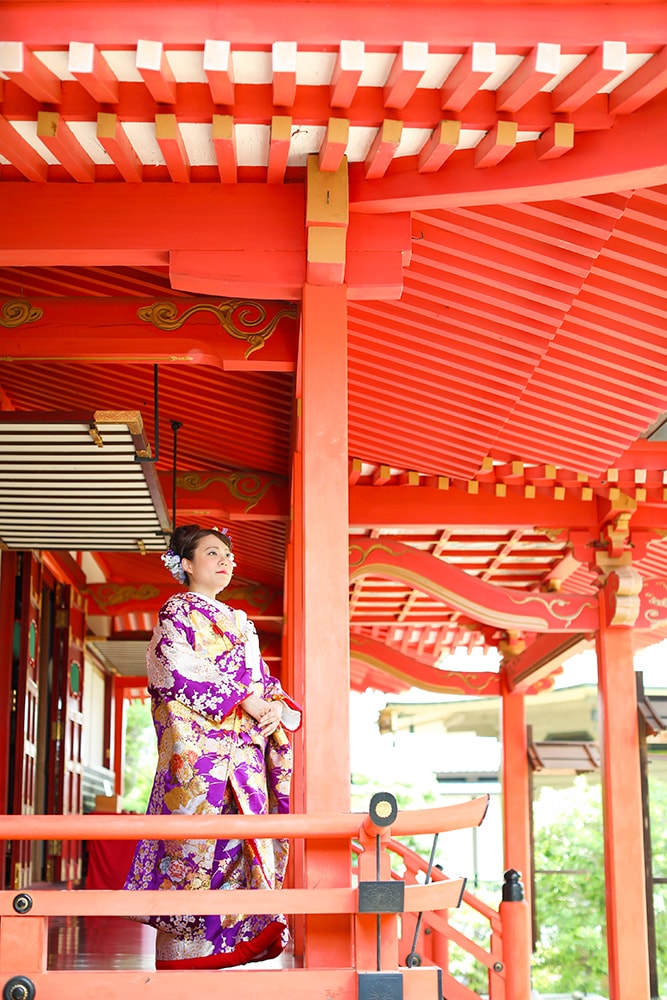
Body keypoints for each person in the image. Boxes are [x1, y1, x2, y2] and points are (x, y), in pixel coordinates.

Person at [123, 524, 301, 970]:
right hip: (199, 754)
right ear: (185, 564)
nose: (226, 561)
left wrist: (273, 707)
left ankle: (239, 940)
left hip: (242, 753)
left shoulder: (242, 621)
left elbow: (262, 678)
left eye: (229, 555)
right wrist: (244, 697)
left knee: (241, 838)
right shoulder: (176, 613)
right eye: (213, 553)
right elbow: (177, 668)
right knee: (195, 841)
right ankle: (187, 954)